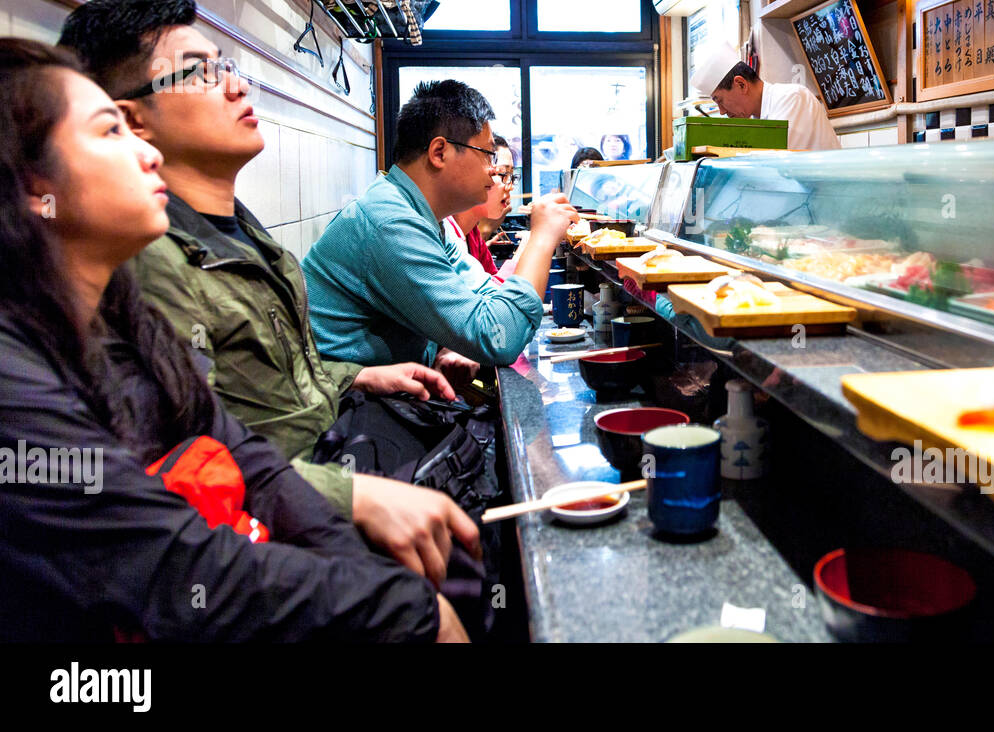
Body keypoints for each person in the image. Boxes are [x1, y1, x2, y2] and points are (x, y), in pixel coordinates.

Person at [0, 38, 466, 641]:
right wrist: (412, 610)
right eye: (110, 132)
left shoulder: (118, 314)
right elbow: (176, 567)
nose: (144, 153)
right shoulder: (16, 384)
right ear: (31, 188)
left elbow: (247, 459)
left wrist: (381, 583)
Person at [302, 79, 578, 368]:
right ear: (439, 153)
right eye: (487, 155)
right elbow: (499, 338)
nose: (493, 170)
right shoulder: (392, 224)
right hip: (343, 404)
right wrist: (542, 238)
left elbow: (488, 296)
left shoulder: (426, 219)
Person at [689, 41, 841, 151]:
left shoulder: (792, 98)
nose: (721, 111)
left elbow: (772, 161)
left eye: (720, 100)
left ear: (741, 84)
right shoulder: (757, 118)